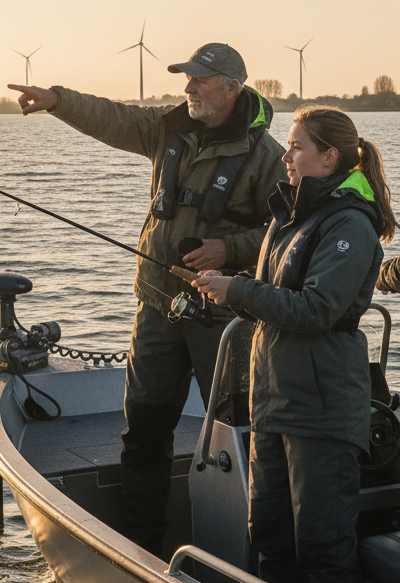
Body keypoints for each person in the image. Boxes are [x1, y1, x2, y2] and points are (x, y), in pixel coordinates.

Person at [9, 42, 284, 555]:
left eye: (200, 79)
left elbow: (285, 233)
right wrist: (57, 100)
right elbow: (112, 118)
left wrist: (229, 249)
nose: (189, 87)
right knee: (143, 430)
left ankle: (258, 555)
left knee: (242, 433)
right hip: (157, 308)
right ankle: (142, 548)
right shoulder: (166, 127)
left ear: (231, 87)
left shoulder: (268, 157)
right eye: (187, 77)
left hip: (223, 320)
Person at [194, 105, 396, 583]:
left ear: (329, 158)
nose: (285, 156)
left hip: (321, 411)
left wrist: (238, 290)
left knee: (323, 549)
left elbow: (317, 308)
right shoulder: (292, 215)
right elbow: (277, 294)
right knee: (270, 539)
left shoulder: (349, 223)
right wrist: (228, 285)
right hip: (274, 403)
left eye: (297, 146)